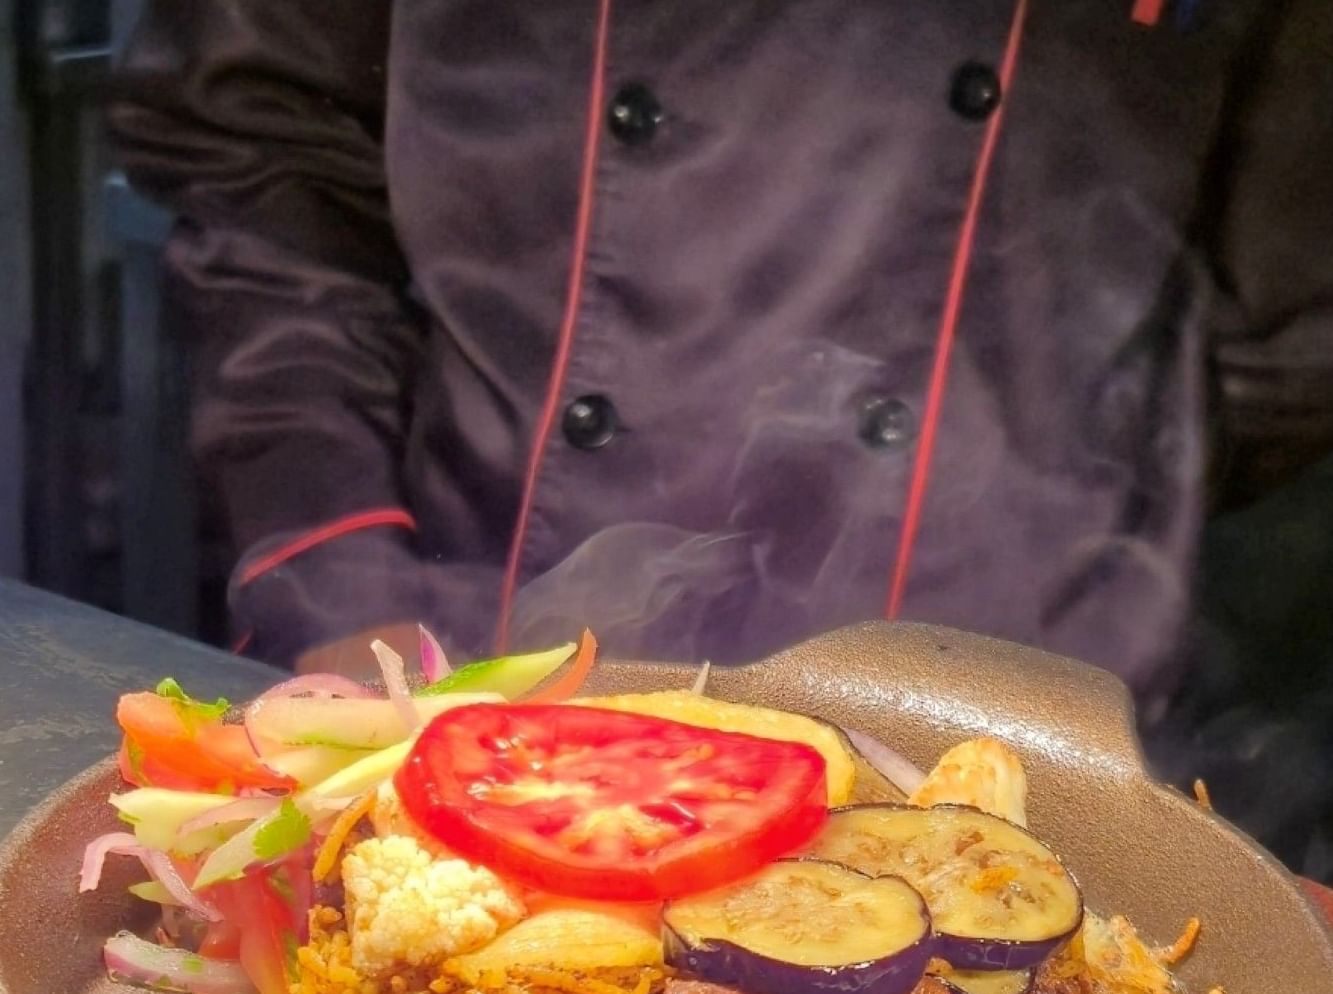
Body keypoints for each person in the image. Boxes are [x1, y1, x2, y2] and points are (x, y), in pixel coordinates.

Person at [112, 1, 1333, 714]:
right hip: (483, 647)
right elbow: (261, 151)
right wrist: (342, 582)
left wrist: (1088, 493)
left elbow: (1289, 322)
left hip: (1029, 702)